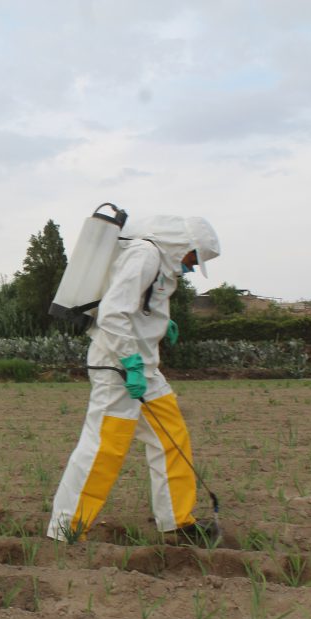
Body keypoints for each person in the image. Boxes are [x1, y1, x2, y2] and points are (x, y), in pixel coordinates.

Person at [47, 214, 221, 546]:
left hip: (144, 369)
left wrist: (158, 323)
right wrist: (129, 361)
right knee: (104, 448)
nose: (190, 267)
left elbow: (138, 306)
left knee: (171, 436)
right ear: (183, 245)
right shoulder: (146, 254)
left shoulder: (159, 263)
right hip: (118, 368)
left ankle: (177, 522)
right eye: (193, 259)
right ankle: (66, 530)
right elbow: (113, 312)